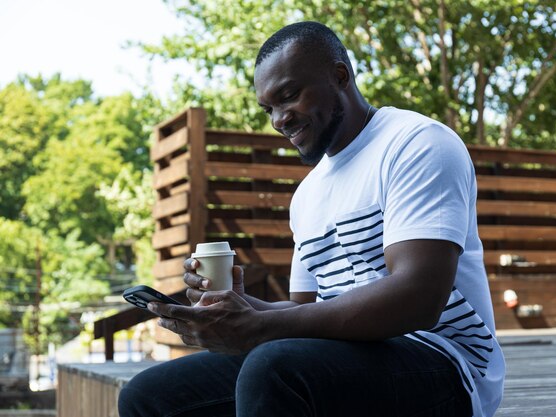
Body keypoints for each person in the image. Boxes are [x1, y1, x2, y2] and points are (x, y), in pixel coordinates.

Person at [118, 21, 505, 417]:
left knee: (273, 367)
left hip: (446, 364)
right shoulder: (307, 195)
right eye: (269, 108)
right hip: (348, 354)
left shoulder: (417, 144)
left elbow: (419, 299)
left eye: (289, 96)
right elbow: (304, 312)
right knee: (149, 395)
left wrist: (258, 328)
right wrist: (239, 310)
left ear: (340, 76)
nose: (278, 119)